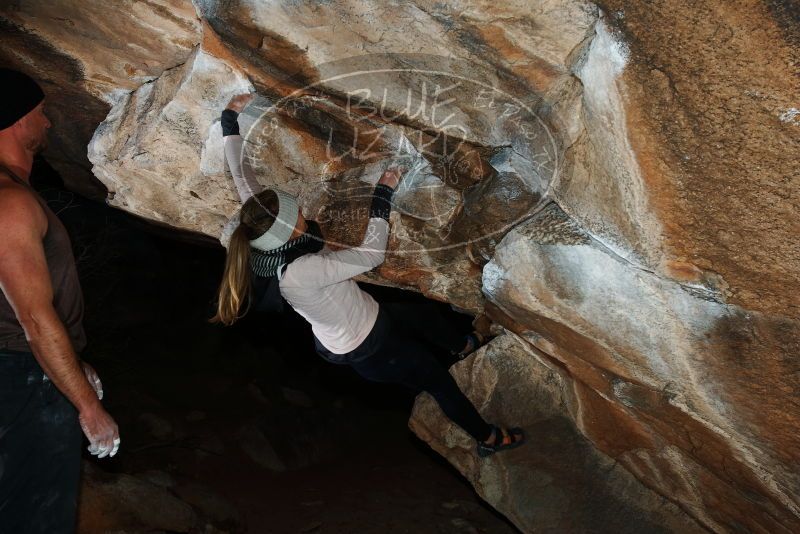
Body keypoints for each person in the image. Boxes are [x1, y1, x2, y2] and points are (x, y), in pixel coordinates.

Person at [213, 93, 524, 457]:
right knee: (438, 382)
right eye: (295, 213)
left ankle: (463, 344)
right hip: (370, 349)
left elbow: (241, 177)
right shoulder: (300, 273)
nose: (299, 210)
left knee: (421, 317)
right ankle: (487, 439)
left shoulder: (261, 229)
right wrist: (381, 196)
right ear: (289, 232)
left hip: (366, 315)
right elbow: (370, 255)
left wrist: (229, 120)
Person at [0, 69, 120, 533]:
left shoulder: (15, 195)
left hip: (24, 372)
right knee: (37, 514)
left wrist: (70, 359)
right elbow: (32, 316)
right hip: (21, 381)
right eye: (41, 112)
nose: (48, 122)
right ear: (15, 122)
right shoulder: (9, 203)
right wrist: (88, 407)